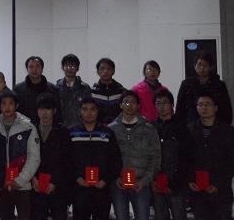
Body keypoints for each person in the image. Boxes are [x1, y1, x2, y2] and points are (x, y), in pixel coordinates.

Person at [109, 91, 161, 220]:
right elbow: (106, 159)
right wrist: (115, 178)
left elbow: (155, 159)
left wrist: (145, 181)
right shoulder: (111, 129)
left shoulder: (149, 129)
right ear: (120, 105)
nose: (129, 105)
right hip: (118, 184)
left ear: (138, 105)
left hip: (141, 184)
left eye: (133, 102)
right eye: (126, 102)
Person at [187, 90, 234, 220]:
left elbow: (232, 160)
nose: (204, 108)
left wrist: (218, 183)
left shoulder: (227, 130)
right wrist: (190, 180)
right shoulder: (190, 129)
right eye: (200, 104)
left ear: (215, 108)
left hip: (221, 190)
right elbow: (185, 158)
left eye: (208, 104)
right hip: (198, 190)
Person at [69, 97, 122, 220]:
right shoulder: (71, 132)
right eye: (85, 109)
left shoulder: (108, 133)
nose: (89, 113)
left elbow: (116, 160)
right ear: (80, 111)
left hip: (102, 189)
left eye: (92, 109)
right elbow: (66, 160)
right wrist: (77, 178)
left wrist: (105, 180)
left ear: (98, 111)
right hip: (80, 189)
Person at [0, 90, 40, 220]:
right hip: (2, 186)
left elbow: (34, 157)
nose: (7, 107)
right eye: (4, 103)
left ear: (17, 105)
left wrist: (20, 180)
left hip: (22, 185)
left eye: (11, 103)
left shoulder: (28, 127)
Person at [151, 89, 191, 220]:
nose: (161, 106)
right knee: (160, 216)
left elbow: (186, 157)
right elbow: (148, 156)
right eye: (158, 103)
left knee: (179, 215)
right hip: (156, 182)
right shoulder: (151, 127)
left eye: (165, 103)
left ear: (172, 105)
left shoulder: (182, 127)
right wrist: (151, 179)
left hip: (176, 183)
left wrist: (176, 181)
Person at [31, 96, 71, 220]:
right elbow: (27, 157)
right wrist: (33, 178)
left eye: (48, 109)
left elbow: (67, 160)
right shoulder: (31, 130)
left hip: (58, 187)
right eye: (41, 109)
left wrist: (54, 182)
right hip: (36, 185)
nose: (44, 113)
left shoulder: (63, 131)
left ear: (54, 111)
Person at [176, 51, 233, 125]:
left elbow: (226, 109)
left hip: (215, 126)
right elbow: (179, 109)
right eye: (199, 64)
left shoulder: (219, 85)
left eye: (205, 65)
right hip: (191, 126)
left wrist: (224, 126)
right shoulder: (186, 85)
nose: (202, 68)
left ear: (210, 67)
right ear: (195, 66)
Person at [13, 56, 60, 124]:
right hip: (24, 127)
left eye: (37, 66)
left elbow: (57, 112)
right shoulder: (18, 89)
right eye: (31, 67)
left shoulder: (52, 89)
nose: (34, 69)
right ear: (27, 69)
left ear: (42, 69)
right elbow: (16, 112)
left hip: (48, 127)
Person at [56, 54, 91, 127]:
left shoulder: (85, 88)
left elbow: (88, 109)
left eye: (72, 66)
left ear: (77, 68)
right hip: (61, 127)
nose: (70, 69)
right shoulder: (57, 87)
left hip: (80, 127)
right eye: (67, 66)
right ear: (62, 67)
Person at [90, 58, 126, 124]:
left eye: (109, 69)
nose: (105, 71)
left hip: (117, 127)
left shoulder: (122, 91)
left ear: (113, 71)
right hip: (98, 127)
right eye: (102, 68)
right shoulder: (92, 92)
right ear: (97, 72)